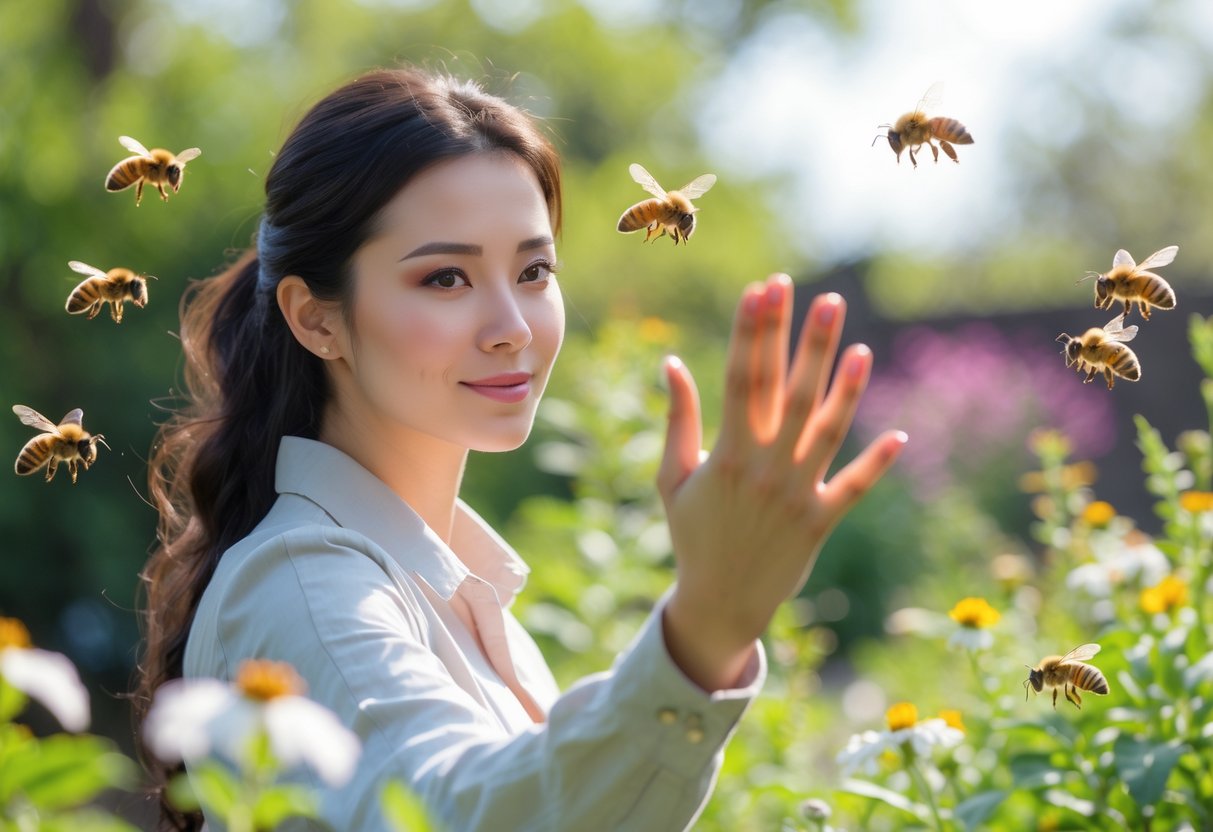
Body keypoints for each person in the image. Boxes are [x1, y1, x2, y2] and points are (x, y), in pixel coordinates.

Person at [134, 66, 906, 831]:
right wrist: (704, 628)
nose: (511, 325)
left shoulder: (452, 585)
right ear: (317, 319)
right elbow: (451, 813)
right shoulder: (306, 583)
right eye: (445, 279)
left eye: (533, 270)